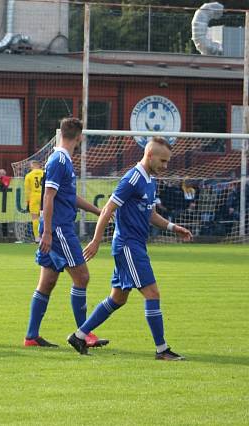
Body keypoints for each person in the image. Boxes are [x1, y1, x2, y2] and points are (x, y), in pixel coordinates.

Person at [69, 137, 193, 360]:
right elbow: (108, 209)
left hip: (134, 245)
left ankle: (79, 335)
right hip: (128, 245)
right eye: (163, 161)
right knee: (152, 293)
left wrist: (174, 227)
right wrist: (96, 240)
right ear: (150, 155)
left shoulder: (150, 180)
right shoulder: (133, 177)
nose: (165, 166)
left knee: (118, 298)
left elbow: (151, 214)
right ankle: (162, 350)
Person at [24, 117, 105, 348]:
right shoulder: (60, 159)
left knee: (47, 281)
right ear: (79, 137)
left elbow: (67, 197)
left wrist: (98, 211)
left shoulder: (62, 159)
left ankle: (31, 336)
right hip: (59, 229)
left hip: (55, 228)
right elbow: (48, 197)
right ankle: (84, 335)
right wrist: (48, 232)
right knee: (82, 277)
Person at [24, 161, 44, 243]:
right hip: (44, 196)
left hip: (34, 196)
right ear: (39, 165)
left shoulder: (29, 175)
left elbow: (27, 190)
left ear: (32, 166)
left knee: (35, 218)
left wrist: (27, 201)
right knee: (45, 217)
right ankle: (44, 236)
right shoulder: (44, 173)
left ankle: (37, 238)